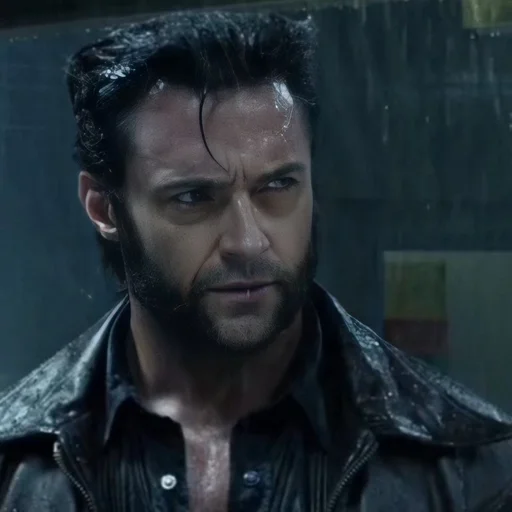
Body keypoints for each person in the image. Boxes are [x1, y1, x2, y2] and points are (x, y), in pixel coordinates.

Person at [0, 10, 511, 512]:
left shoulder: (471, 467)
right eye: (193, 197)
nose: (248, 242)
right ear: (104, 208)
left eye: (278, 185)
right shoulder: (15, 465)